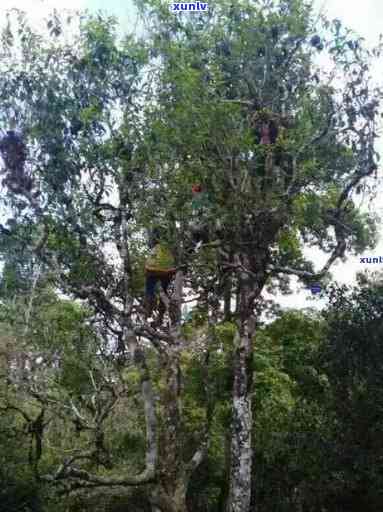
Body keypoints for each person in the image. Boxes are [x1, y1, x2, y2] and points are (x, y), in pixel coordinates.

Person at [144, 227, 176, 322]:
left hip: (162, 273)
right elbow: (148, 268)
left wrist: (170, 271)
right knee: (151, 292)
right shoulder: (158, 249)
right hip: (158, 272)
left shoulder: (165, 250)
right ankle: (150, 311)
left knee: (162, 292)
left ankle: (158, 314)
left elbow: (149, 268)